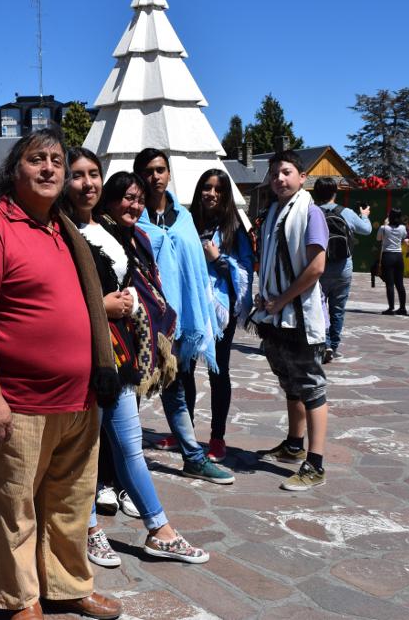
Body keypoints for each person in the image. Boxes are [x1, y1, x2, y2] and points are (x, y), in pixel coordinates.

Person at [0, 129, 123, 620]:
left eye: (57, 160)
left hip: (79, 397)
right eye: (37, 159)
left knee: (71, 504)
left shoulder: (64, 229)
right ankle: (20, 599)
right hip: (20, 400)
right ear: (16, 170)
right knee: (16, 509)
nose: (49, 168)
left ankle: (67, 585)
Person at [64, 151, 209, 570]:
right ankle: (90, 530)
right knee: (84, 448)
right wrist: (99, 306)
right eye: (78, 175)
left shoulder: (106, 231)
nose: (87, 183)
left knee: (128, 446)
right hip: (81, 353)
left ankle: (158, 530)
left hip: (117, 355)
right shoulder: (62, 231)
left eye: (94, 174)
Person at [132, 148, 232, 483]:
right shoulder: (132, 217)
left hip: (177, 322)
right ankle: (122, 465)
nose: (155, 176)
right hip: (142, 320)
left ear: (169, 173)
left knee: (174, 388)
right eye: (147, 171)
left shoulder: (184, 218)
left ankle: (192, 455)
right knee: (129, 394)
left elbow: (194, 270)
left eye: (160, 169)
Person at [252, 150, 330, 491]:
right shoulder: (273, 214)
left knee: (311, 388)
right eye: (274, 174)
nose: (279, 179)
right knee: (290, 383)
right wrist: (266, 296)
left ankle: (315, 463)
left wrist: (282, 299)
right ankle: (294, 445)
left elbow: (317, 267)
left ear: (301, 177)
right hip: (275, 316)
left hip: (298, 318)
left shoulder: (310, 214)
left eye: (286, 172)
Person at [189, 168, 254, 462]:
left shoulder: (234, 229)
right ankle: (184, 432)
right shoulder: (186, 222)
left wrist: (217, 259)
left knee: (219, 372)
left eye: (218, 189)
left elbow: (244, 271)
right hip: (190, 306)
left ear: (226, 195)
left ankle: (217, 437)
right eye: (207, 187)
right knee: (183, 371)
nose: (211, 193)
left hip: (219, 311)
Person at [309, 177, 372, 362]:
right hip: (343, 268)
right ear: (335, 193)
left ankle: (324, 343)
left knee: (318, 308)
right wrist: (365, 215)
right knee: (337, 309)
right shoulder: (346, 213)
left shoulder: (312, 213)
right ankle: (334, 346)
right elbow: (366, 230)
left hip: (317, 268)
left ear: (316, 193)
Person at [377, 208, 409, 315]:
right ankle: (403, 308)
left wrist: (385, 224)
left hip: (388, 256)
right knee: (400, 284)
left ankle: (391, 308)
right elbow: (404, 237)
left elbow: (378, 238)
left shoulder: (384, 228)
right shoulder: (402, 227)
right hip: (398, 256)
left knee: (390, 284)